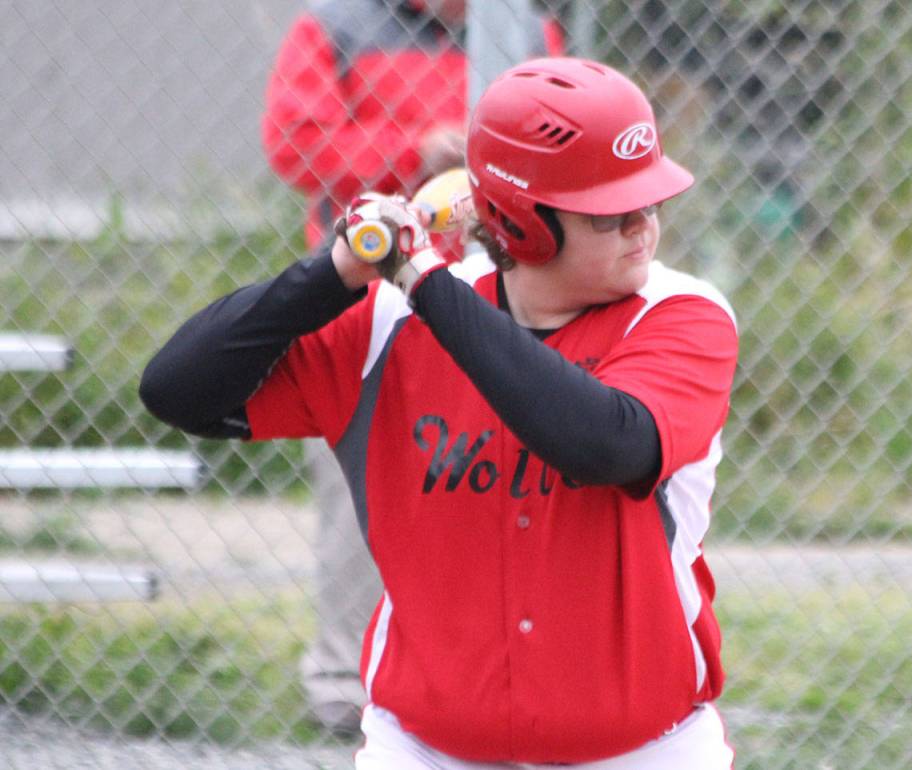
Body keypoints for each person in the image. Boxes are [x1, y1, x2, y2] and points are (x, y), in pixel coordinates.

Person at [141, 56, 738, 768]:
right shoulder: (389, 326)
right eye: (612, 214)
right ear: (524, 223)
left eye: (652, 203)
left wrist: (422, 276)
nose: (644, 227)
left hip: (641, 751)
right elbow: (177, 389)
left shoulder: (680, 315)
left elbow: (606, 445)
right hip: (425, 749)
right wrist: (332, 272)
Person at [261, 0, 562, 736]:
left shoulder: (526, 28)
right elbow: (294, 145)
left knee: (503, 486)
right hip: (369, 294)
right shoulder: (335, 24)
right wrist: (412, 150)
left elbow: (566, 146)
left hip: (501, 294)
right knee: (357, 488)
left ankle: (494, 672)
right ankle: (347, 683)